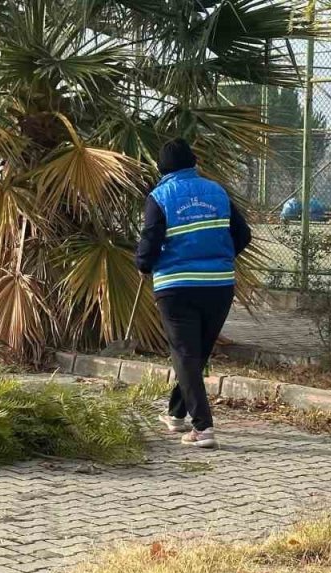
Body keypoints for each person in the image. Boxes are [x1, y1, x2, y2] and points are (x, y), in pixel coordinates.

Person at [136, 138, 251, 450]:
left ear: (162, 168)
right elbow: (243, 234)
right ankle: (176, 414)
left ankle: (203, 428)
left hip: (176, 287)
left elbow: (150, 240)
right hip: (218, 286)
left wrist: (144, 264)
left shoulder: (159, 196)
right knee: (195, 354)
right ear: (193, 162)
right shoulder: (217, 192)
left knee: (186, 355)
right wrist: (221, 257)